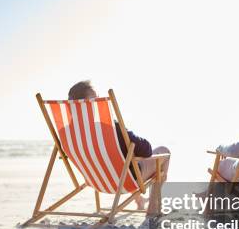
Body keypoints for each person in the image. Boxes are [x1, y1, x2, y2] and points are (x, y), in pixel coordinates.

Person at [68, 80, 170, 215]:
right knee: (164, 152)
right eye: (95, 100)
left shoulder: (68, 131)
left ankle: (139, 200)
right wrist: (122, 129)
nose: (99, 102)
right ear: (84, 105)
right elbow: (146, 150)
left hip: (96, 181)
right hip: (123, 183)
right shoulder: (109, 127)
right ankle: (152, 207)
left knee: (124, 158)